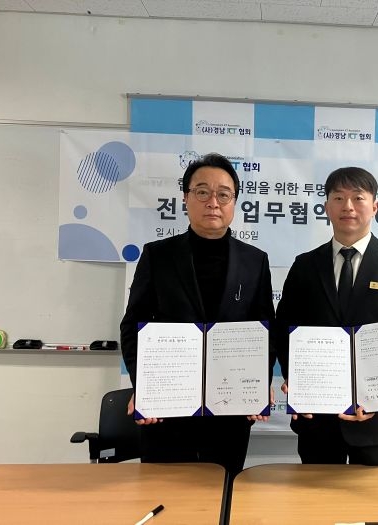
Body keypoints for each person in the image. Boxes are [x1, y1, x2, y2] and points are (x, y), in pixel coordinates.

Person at [120, 152, 275, 476]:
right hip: (167, 409)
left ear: (234, 202)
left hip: (230, 410)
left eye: (223, 194)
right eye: (202, 192)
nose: (213, 202)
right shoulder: (157, 256)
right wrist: (143, 385)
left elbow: (265, 330)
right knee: (164, 492)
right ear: (185, 198)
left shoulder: (255, 261)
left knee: (224, 490)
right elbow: (133, 326)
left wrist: (258, 382)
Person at [275, 166, 378, 466]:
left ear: (375, 206)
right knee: (315, 494)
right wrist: (294, 378)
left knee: (373, 495)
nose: (348, 206)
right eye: (338, 198)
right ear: (327, 207)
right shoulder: (305, 266)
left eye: (358, 198)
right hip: (317, 416)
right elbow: (285, 330)